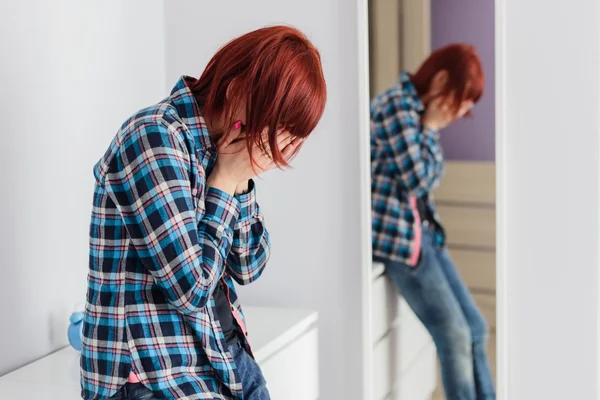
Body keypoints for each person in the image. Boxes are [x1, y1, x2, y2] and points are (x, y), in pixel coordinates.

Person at [81, 25, 326, 400]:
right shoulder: (154, 138)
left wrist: (240, 181)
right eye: (282, 127)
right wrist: (225, 181)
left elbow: (248, 266)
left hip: (222, 357)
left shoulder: (223, 149)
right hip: (152, 375)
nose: (283, 147)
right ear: (239, 91)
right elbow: (191, 289)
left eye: (294, 138)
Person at [370, 43, 495, 400]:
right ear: (441, 80)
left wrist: (429, 126)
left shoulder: (418, 114)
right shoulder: (396, 106)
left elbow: (431, 173)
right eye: (459, 103)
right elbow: (418, 178)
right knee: (454, 334)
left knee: (475, 328)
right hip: (400, 241)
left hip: (423, 235)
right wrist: (430, 128)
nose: (456, 115)